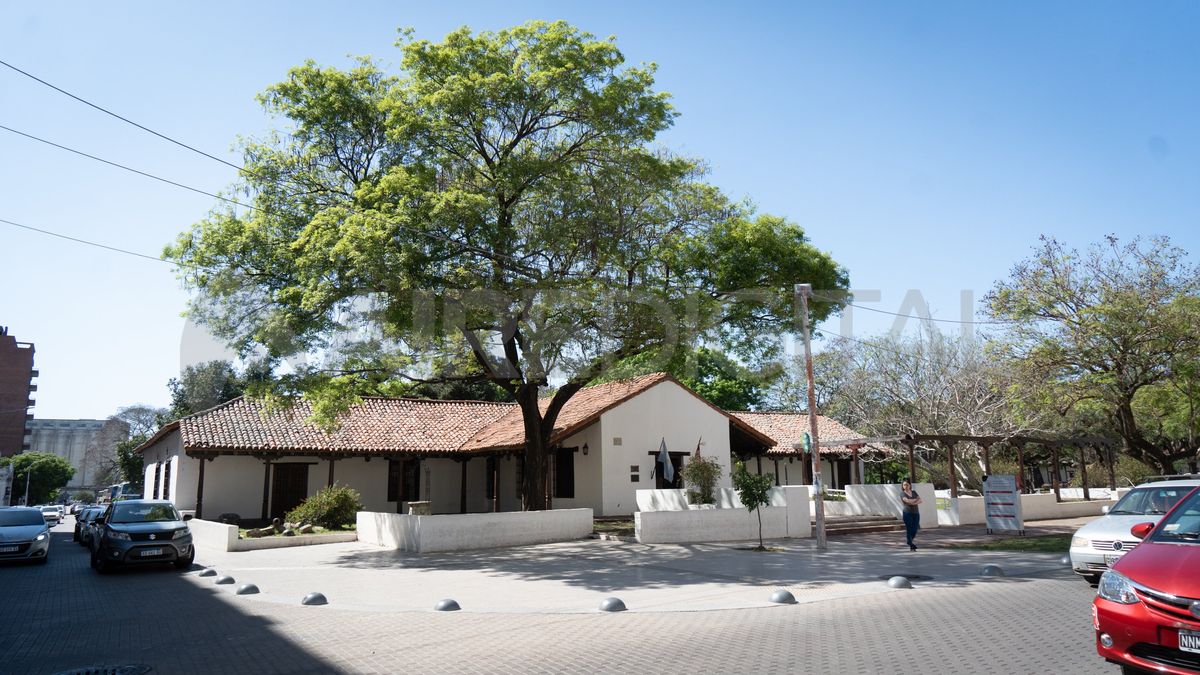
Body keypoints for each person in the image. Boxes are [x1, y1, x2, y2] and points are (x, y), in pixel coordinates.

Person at [900, 480, 922, 551]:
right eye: (904, 485)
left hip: (916, 513)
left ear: (910, 485)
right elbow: (906, 501)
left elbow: (920, 500)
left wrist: (912, 501)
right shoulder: (902, 493)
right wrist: (915, 500)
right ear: (902, 486)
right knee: (909, 529)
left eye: (907, 485)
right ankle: (911, 544)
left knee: (915, 529)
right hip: (907, 513)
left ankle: (909, 541)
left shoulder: (914, 492)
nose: (905, 486)